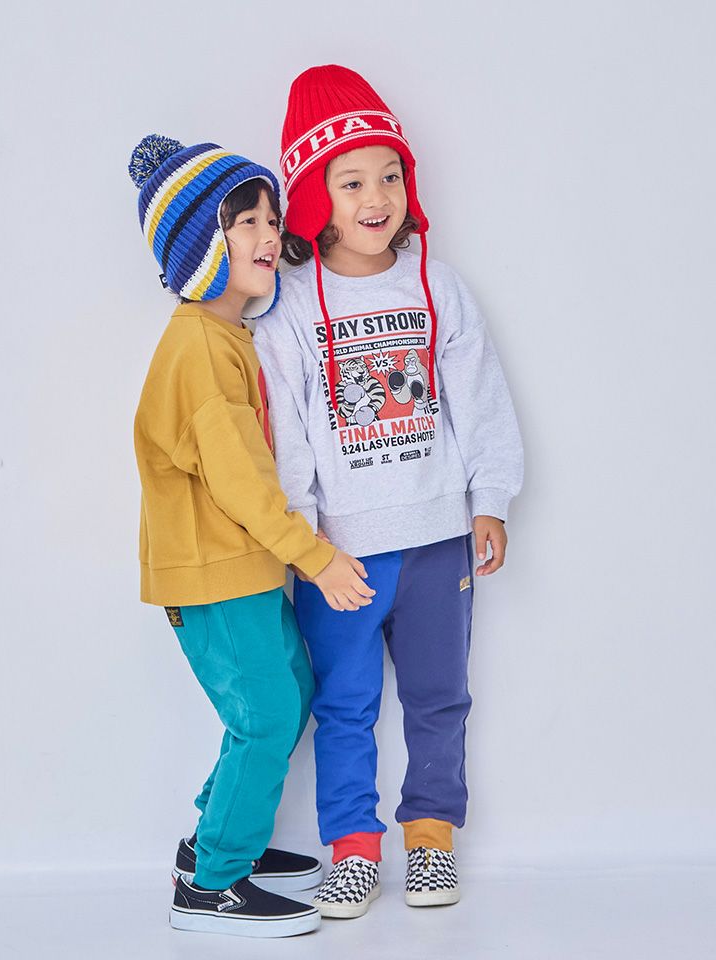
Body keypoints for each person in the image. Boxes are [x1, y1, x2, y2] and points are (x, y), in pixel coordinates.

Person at [253, 66, 524, 918]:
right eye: (352, 181)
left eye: (390, 175)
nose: (377, 197)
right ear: (314, 196)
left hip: (440, 537)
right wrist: (306, 543)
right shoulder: (291, 306)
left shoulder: (437, 284)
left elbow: (478, 394)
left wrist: (491, 496)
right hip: (342, 554)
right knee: (345, 706)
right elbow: (287, 433)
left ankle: (432, 839)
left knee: (441, 697)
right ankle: (353, 850)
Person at [128, 133, 375, 937]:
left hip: (246, 567)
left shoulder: (227, 336)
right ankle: (211, 887)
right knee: (266, 716)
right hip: (214, 572)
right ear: (203, 246)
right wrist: (318, 558)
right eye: (247, 222)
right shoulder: (200, 349)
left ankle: (213, 841)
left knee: (289, 695)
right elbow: (241, 481)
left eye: (272, 219)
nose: (271, 235)